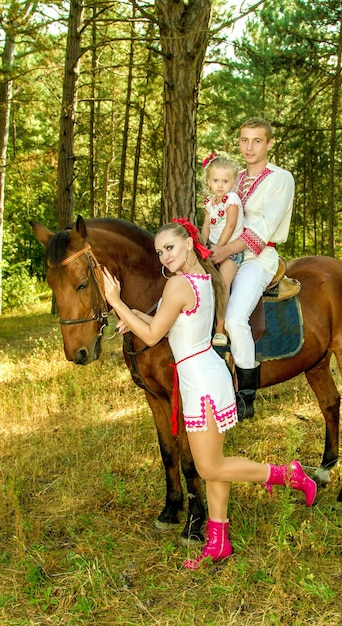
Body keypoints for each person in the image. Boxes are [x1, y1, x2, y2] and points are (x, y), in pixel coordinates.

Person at [102, 218, 316, 571]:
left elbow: (154, 335)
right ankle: (218, 541)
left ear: (187, 243)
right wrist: (136, 312)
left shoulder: (177, 285)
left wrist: (116, 301)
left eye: (169, 248)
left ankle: (288, 475)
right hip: (205, 374)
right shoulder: (200, 279)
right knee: (215, 466)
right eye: (159, 252)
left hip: (201, 380)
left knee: (209, 466)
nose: (164, 257)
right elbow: (176, 325)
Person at [210, 118, 295, 421]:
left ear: (269, 144)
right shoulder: (233, 179)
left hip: (259, 259)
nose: (249, 147)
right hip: (223, 254)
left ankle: (246, 396)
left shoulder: (280, 178)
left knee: (234, 317)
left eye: (257, 140)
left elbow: (260, 231)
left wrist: (221, 251)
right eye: (244, 140)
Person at [200, 153, 244, 347]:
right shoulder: (210, 203)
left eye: (225, 181)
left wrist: (221, 247)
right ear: (208, 182)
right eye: (216, 180)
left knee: (222, 284)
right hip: (213, 249)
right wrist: (201, 246)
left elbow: (230, 226)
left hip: (231, 252)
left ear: (233, 182)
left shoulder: (231, 199)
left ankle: (220, 328)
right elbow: (206, 227)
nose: (220, 185)